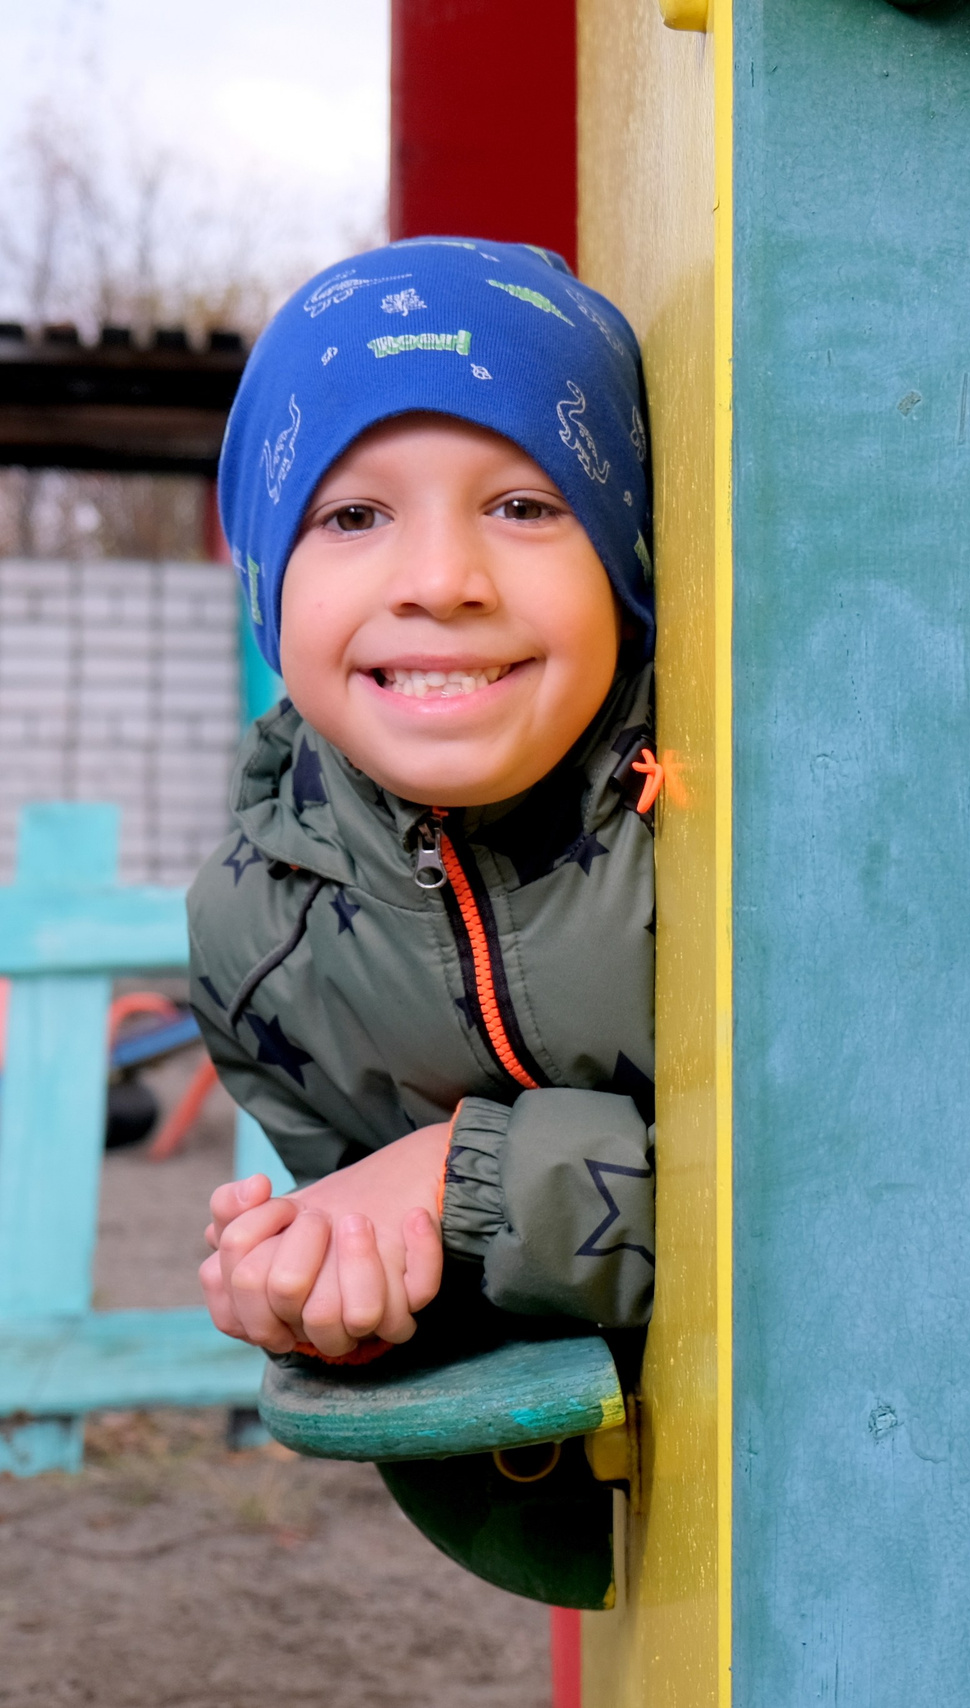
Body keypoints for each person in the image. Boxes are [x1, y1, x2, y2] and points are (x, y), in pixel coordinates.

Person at [190, 237, 658, 1365]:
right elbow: (460, 1311)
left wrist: (468, 1173)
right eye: (354, 517)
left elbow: (856, 1189)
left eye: (524, 506)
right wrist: (332, 1294)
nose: (442, 581)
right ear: (267, 583)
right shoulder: (257, 941)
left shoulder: (752, 815)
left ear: (628, 560)